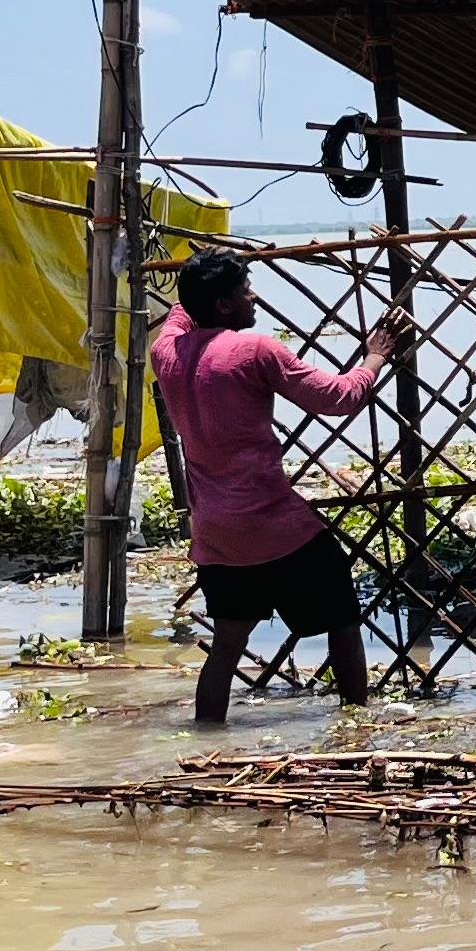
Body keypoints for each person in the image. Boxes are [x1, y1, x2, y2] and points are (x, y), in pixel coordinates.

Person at [150, 250, 411, 724]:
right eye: (244, 289)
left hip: (215, 534)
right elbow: (338, 398)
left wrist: (202, 271)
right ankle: (355, 727)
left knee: (227, 645)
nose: (254, 296)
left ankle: (208, 737)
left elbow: (180, 311)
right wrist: (375, 355)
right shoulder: (254, 351)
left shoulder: (166, 353)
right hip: (276, 525)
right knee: (343, 622)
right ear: (224, 304)